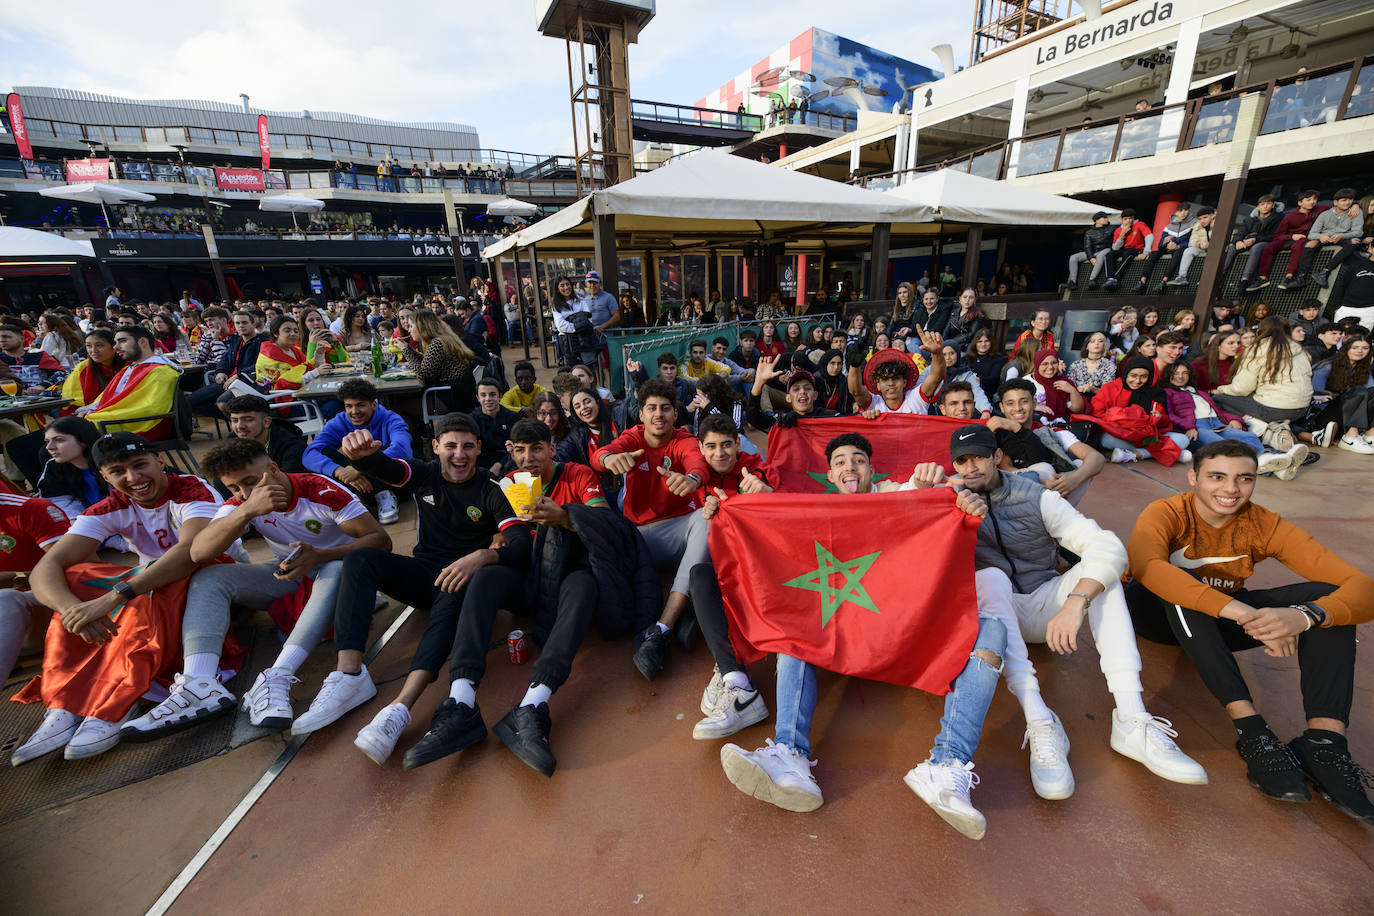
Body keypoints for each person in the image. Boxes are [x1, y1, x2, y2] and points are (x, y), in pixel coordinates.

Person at [720, 431, 1009, 839]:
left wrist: (951, 493)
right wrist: (739, 505)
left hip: (904, 625)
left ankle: (945, 766)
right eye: (840, 462)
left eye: (858, 459)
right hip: (836, 630)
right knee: (792, 624)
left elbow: (931, 495)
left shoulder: (903, 490)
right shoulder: (815, 510)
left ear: (873, 469)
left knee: (992, 628)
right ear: (830, 475)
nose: (850, 467)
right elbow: (776, 530)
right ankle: (789, 753)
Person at [927, 425, 1207, 800]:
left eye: (979, 456)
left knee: (1101, 576)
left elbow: (1107, 546)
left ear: (996, 455)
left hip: (1045, 601)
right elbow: (895, 505)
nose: (971, 466)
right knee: (989, 575)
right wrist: (922, 484)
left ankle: (1131, 717)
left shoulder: (1035, 494)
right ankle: (1040, 719)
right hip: (996, 614)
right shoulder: (950, 496)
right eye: (962, 460)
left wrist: (1077, 602)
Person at [1125, 440, 1374, 821]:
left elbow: (1363, 588)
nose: (1230, 489)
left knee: (1326, 599)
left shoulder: (1263, 523)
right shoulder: (1166, 512)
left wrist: (1303, 617)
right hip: (1156, 614)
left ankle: (1325, 742)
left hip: (1220, 621)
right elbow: (1147, 568)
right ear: (1194, 478)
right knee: (1176, 582)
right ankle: (1253, 732)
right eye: (1217, 477)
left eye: (1244, 478)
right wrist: (1248, 616)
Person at [287, 414, 531, 765]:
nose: (459, 455)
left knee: (451, 593)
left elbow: (521, 546)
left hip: (460, 580)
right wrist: (361, 457)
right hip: (422, 574)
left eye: (467, 446)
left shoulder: (492, 490)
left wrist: (483, 556)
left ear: (479, 448)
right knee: (360, 559)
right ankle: (350, 674)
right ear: (435, 448)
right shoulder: (425, 474)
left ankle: (399, 708)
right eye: (450, 446)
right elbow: (387, 468)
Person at [120, 438, 391, 739]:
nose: (244, 493)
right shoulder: (242, 505)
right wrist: (247, 511)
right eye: (234, 488)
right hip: (292, 575)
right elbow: (199, 552)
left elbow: (380, 541)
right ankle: (199, 683)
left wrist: (322, 554)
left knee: (338, 567)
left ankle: (278, 674)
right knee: (210, 578)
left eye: (250, 482)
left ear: (273, 469)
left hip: (343, 577)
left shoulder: (320, 490)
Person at [404, 418, 611, 775]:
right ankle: (461, 700)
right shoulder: (509, 483)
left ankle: (533, 705)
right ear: (511, 453)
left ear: (552, 448)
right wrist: (496, 544)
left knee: (584, 586)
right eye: (521, 450)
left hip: (566, 574)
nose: (529, 458)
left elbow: (605, 520)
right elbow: (505, 534)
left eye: (537, 449)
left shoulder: (576, 475)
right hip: (528, 579)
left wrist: (564, 517)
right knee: (484, 578)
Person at [11, 433, 227, 765]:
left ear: (160, 461)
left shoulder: (191, 490)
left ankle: (117, 701)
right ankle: (66, 704)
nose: (133, 478)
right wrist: (74, 611)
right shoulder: (112, 505)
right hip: (148, 596)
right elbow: (47, 566)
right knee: (73, 578)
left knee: (153, 581)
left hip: (209, 584)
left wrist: (112, 598)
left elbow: (190, 554)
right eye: (118, 471)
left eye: (140, 465)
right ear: (104, 476)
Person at [591, 378, 710, 679]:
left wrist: (693, 480)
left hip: (677, 531)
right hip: (639, 535)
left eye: (666, 409)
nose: (659, 414)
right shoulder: (634, 437)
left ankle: (664, 627)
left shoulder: (683, 440)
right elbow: (600, 455)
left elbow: (698, 463)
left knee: (708, 521)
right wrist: (609, 458)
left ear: (675, 414)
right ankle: (689, 609)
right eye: (652, 408)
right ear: (641, 414)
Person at [303, 379, 412, 524]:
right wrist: (337, 471)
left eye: (360, 405)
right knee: (326, 453)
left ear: (374, 404)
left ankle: (367, 498)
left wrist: (360, 468)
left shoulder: (391, 419)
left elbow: (403, 449)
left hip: (395, 481)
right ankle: (379, 495)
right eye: (349, 406)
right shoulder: (339, 421)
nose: (354, 412)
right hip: (364, 482)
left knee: (380, 449)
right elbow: (309, 453)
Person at [986, 379, 1105, 504]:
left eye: (1024, 401)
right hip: (1013, 496)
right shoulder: (997, 431)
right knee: (1044, 469)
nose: (1018, 408)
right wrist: (1043, 482)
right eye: (1010, 403)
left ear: (1034, 403)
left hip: (1055, 492)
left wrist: (1073, 480)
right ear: (1002, 407)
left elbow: (1097, 458)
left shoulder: (1049, 431)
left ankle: (1056, 514)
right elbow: (1005, 468)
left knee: (1081, 466)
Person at [0, 492, 69, 682]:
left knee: (5, 598)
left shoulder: (30, 509)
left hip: (43, 608)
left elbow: (81, 570)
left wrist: (17, 578)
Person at [77, 326, 181, 441]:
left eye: (122, 341)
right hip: (117, 421)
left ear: (142, 342)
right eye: (115, 342)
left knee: (71, 434)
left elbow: (151, 408)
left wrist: (95, 416)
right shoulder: (129, 369)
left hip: (143, 428)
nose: (116, 347)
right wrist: (88, 410)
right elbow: (107, 397)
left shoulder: (161, 371)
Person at [849, 328, 946, 416]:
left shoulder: (916, 398)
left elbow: (936, 377)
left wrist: (937, 353)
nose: (891, 384)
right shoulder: (874, 403)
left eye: (895, 378)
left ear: (904, 382)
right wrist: (854, 366)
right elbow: (856, 392)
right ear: (878, 384)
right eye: (885, 379)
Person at [189, 310, 268, 418]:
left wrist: (239, 375)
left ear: (253, 323)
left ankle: (240, 422)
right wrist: (220, 371)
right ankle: (238, 419)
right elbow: (224, 360)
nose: (241, 326)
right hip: (226, 382)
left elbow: (261, 365)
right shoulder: (236, 340)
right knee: (189, 402)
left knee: (223, 403)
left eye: (244, 323)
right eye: (238, 323)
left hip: (246, 382)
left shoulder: (262, 342)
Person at [401, 309, 477, 415]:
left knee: (398, 408)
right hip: (457, 391)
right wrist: (408, 349)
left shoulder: (437, 343)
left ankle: (421, 431)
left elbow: (423, 374)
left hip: (452, 396)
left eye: (411, 326)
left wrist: (406, 351)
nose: (408, 330)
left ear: (421, 326)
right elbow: (426, 361)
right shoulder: (441, 339)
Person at [1306, 335, 1374, 453]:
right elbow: (1314, 394)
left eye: (1365, 348)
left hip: (1347, 416)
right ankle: (1350, 438)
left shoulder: (1364, 369)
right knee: (1357, 391)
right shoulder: (1327, 366)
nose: (1360, 351)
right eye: (1355, 347)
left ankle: (1370, 435)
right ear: (1346, 348)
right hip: (1322, 417)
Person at [32, 417, 106, 521]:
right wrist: (78, 522)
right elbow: (57, 502)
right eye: (47, 441)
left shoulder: (111, 463)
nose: (49, 447)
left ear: (82, 441)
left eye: (58, 440)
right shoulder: (54, 466)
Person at [1249, 190, 1322, 292]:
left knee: (1298, 245)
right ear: (1300, 203)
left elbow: (1336, 208)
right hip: (1288, 238)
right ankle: (1262, 278)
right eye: (1308, 200)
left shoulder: (1319, 209)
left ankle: (1289, 277)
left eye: (1315, 199)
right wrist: (1292, 236)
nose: (1312, 202)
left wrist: (1353, 206)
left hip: (1304, 240)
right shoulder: (1290, 216)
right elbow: (1278, 235)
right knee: (1268, 248)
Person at [1290, 187, 1362, 289]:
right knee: (1310, 243)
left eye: (1350, 200)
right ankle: (1301, 277)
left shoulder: (1356, 212)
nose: (1347, 203)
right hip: (1325, 238)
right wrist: (1321, 236)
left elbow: (1358, 232)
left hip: (1342, 238)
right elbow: (1312, 234)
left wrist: (1342, 235)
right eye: (1344, 200)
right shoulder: (1324, 214)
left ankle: (1324, 271)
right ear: (1335, 202)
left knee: (1355, 241)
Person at [225, 394, 308, 473]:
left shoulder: (292, 447)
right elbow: (221, 478)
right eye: (235, 420)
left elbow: (287, 482)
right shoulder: (230, 443)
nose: (240, 426)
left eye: (248, 419)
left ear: (266, 422)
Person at [1226, 195, 1284, 291]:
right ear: (1258, 206)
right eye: (1262, 204)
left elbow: (1275, 235)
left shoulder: (1279, 218)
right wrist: (1238, 241)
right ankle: (1218, 275)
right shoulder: (1249, 219)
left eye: (1268, 204)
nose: (1265, 206)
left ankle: (1245, 280)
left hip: (1264, 242)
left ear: (1273, 205)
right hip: (1247, 242)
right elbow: (1240, 233)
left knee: (1256, 247)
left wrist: (1255, 239)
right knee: (1231, 247)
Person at [1136, 202, 1195, 293]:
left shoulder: (1194, 223)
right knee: (1154, 254)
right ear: (1176, 213)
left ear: (1189, 211)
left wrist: (1176, 244)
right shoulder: (1169, 226)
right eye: (1180, 210)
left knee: (1178, 253)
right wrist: (1165, 243)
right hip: (1168, 248)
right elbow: (1160, 245)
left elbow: (1192, 241)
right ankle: (1142, 281)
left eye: (1186, 210)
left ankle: (1164, 281)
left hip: (1180, 249)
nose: (1183, 213)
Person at [471, 377, 520, 476]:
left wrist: (499, 464)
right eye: (483, 395)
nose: (488, 399)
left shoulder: (512, 417)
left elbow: (518, 447)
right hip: (481, 465)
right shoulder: (472, 420)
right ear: (478, 398)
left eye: (492, 394)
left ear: (500, 396)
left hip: (508, 462)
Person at [0, 323, 67, 393]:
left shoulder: (40, 356)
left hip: (41, 399)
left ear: (22, 339)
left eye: (6, 337)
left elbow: (61, 374)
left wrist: (43, 386)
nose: (1, 340)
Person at [1103, 209, 1154, 288]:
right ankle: (1110, 278)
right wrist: (1122, 235)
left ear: (1133, 218)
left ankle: (1115, 279)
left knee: (1127, 253)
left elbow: (1149, 236)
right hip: (1124, 250)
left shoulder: (1139, 224)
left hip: (1137, 249)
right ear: (1121, 220)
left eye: (1130, 218)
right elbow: (1115, 248)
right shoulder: (1118, 230)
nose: (1128, 221)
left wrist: (1146, 252)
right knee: (1109, 254)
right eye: (1125, 219)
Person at [1065, 213, 1115, 291]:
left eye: (1106, 217)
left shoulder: (1112, 228)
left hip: (1106, 249)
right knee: (1073, 257)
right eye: (1104, 217)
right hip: (1093, 252)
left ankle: (1092, 280)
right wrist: (1091, 257)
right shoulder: (1089, 232)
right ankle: (1073, 281)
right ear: (1097, 220)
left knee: (1101, 256)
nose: (1106, 219)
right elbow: (1087, 247)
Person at [1068, 332, 1116, 397]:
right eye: (1092, 341)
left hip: (1099, 401)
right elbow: (1069, 387)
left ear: (1104, 346)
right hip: (1077, 400)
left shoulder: (1110, 366)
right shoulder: (1075, 365)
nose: (1096, 343)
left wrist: (1094, 390)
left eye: (1100, 341)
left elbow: (1108, 392)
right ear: (1087, 346)